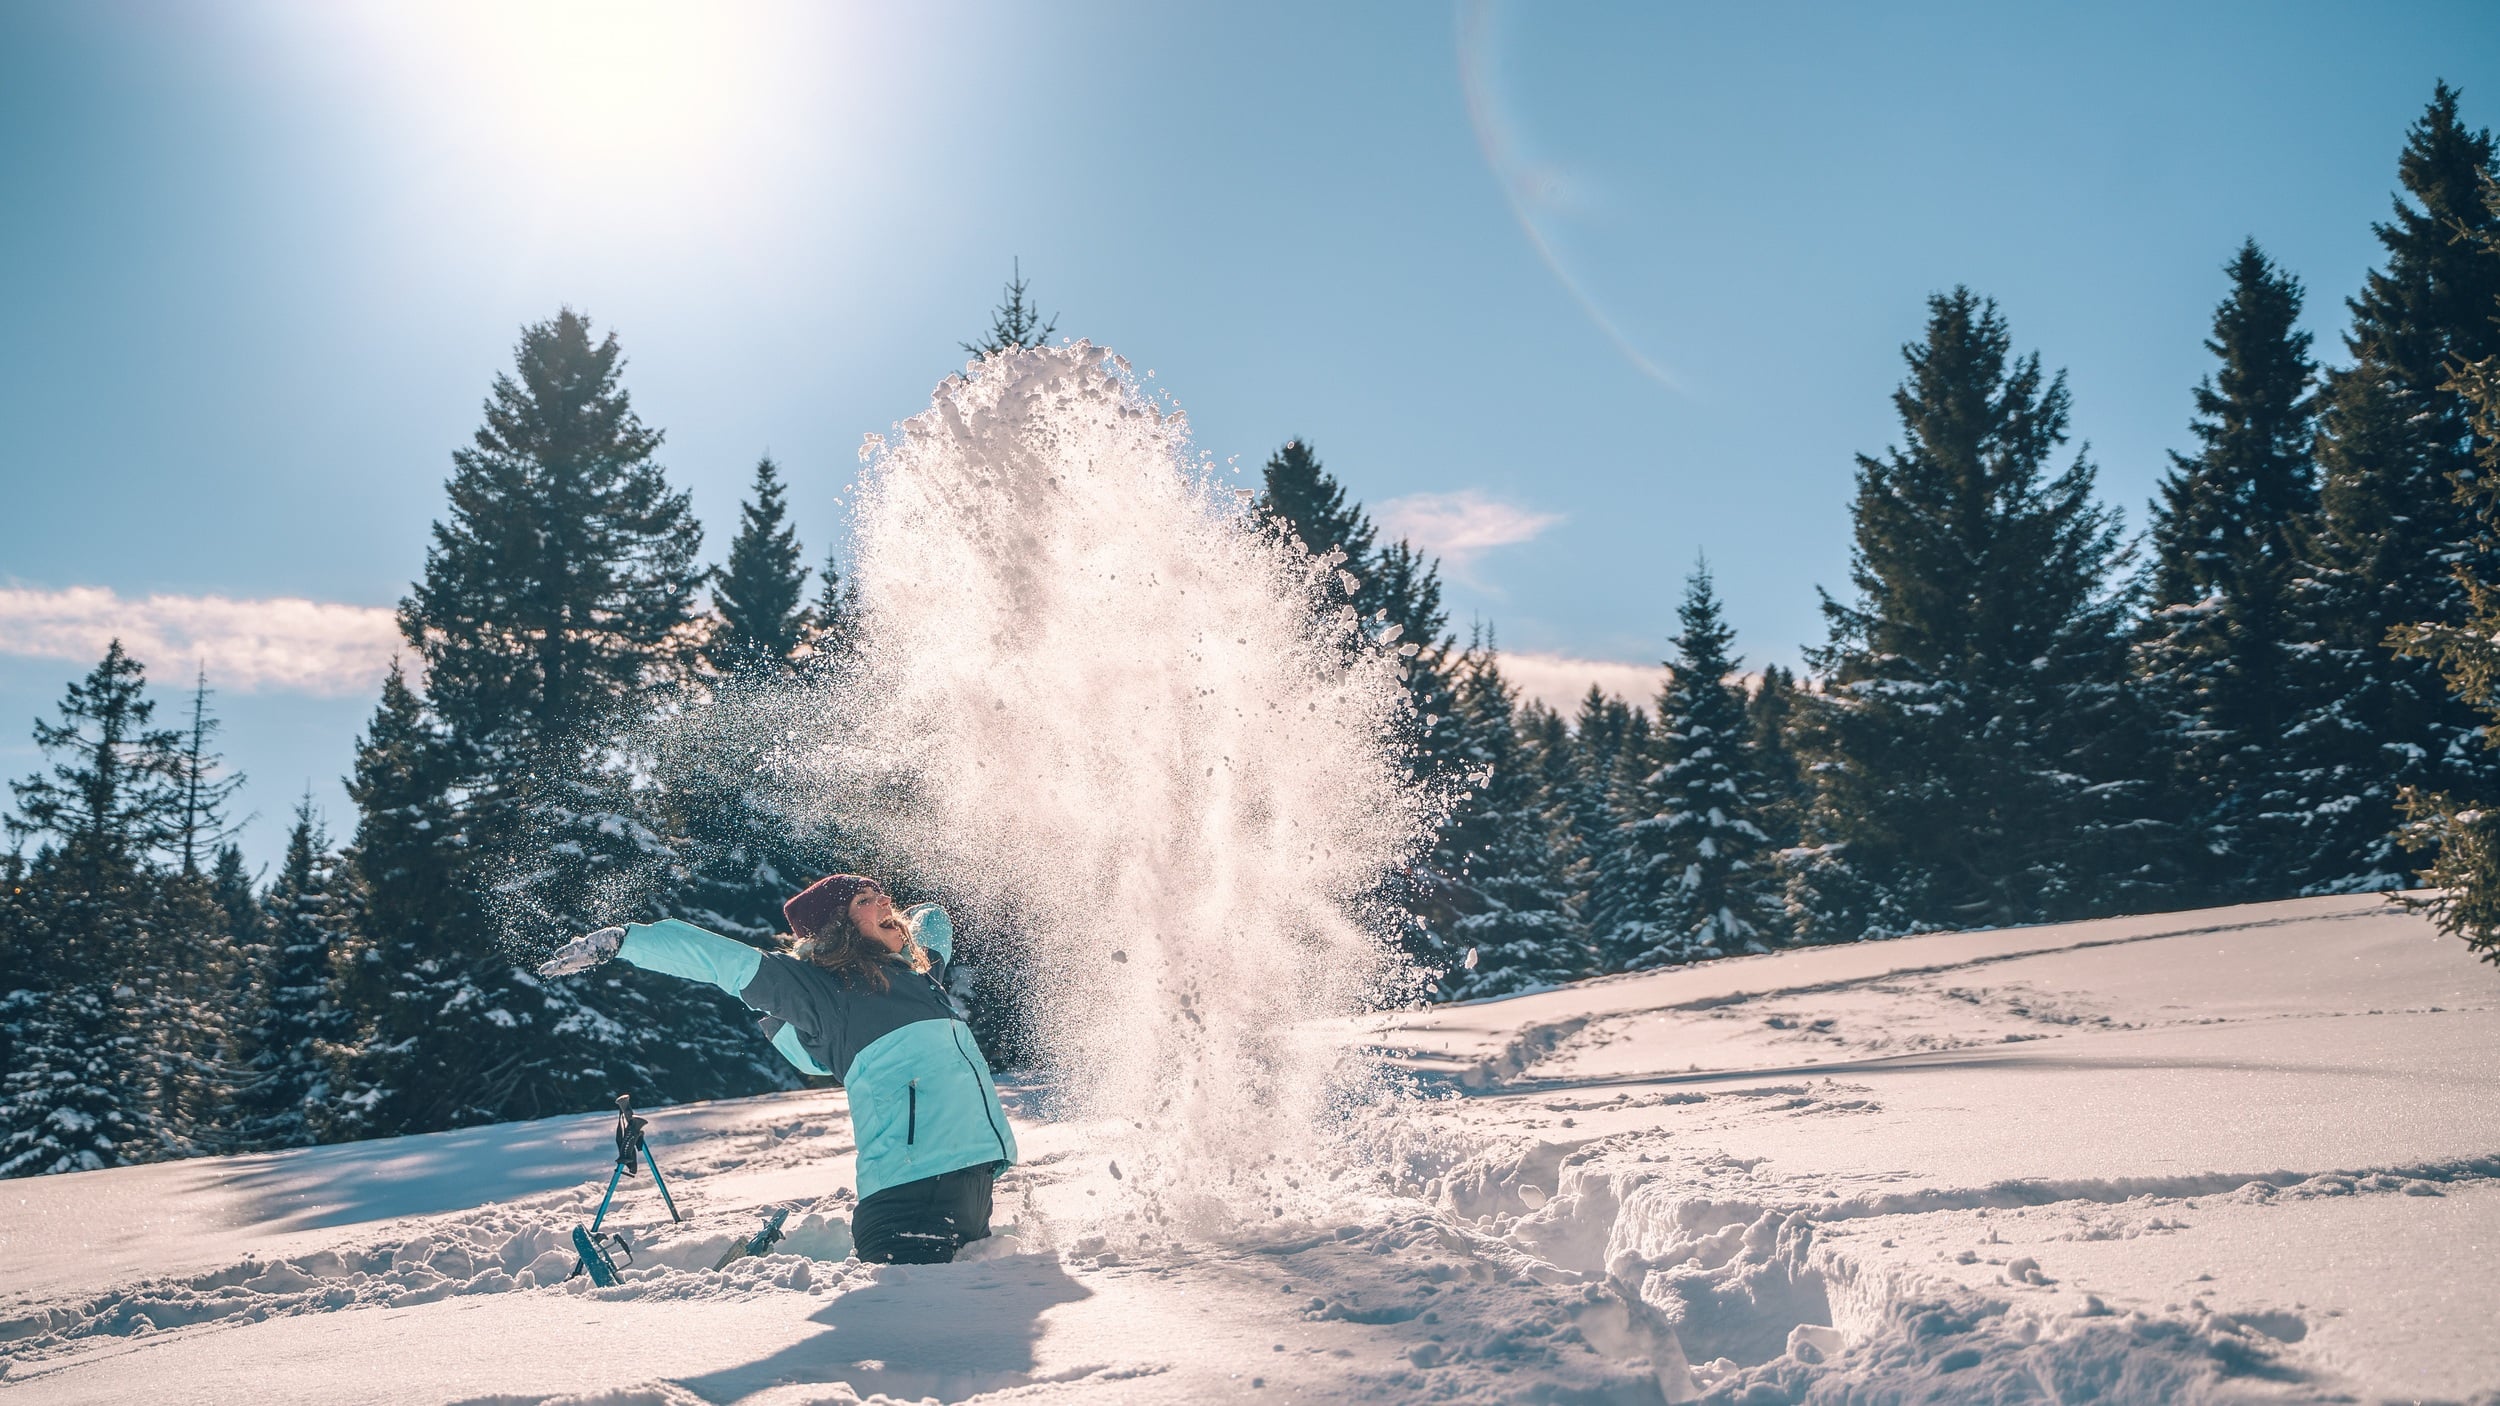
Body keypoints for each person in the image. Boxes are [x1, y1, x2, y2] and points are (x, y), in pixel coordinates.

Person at [538, 874, 1018, 1264]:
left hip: (966, 1187)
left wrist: (891, 915)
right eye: (866, 900)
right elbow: (723, 962)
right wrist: (625, 942)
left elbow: (935, 924)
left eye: (883, 895)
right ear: (840, 929)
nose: (886, 902)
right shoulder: (824, 991)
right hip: (910, 1201)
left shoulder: (915, 977)